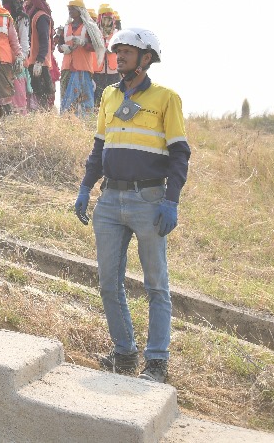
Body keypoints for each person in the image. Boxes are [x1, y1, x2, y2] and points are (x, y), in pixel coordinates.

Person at [73, 27, 189, 384]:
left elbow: (180, 154)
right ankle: (124, 354)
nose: (119, 55)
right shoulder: (108, 95)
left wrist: (170, 201)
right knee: (108, 282)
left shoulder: (166, 98)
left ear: (147, 57)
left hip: (148, 200)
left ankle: (156, 364)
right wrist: (85, 187)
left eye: (127, 50)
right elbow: (98, 148)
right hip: (109, 201)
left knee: (156, 285)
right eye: (117, 50)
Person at [56, 0, 103, 114]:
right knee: (66, 97)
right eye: (69, 9)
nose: (70, 12)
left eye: (73, 9)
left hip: (83, 68)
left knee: (84, 98)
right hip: (67, 67)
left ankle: (84, 122)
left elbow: (96, 46)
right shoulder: (66, 27)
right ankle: (67, 121)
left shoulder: (88, 28)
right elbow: (60, 44)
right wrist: (63, 48)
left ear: (79, 11)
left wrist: (83, 43)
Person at [22, 0, 56, 111]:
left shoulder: (41, 17)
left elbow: (44, 40)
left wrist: (39, 61)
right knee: (35, 93)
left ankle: (44, 120)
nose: (26, 1)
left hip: (39, 62)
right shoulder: (32, 15)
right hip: (33, 61)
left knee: (41, 94)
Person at [1, 0, 31, 114]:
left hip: (17, 61)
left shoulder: (22, 18)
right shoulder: (2, 15)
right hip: (3, 60)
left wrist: (20, 58)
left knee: (18, 94)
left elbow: (24, 42)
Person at [92, 4, 120, 98]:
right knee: (97, 96)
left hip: (113, 70)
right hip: (97, 70)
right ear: (100, 18)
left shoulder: (117, 33)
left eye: (109, 18)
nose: (107, 21)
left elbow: (121, 48)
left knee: (113, 96)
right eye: (105, 18)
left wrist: (113, 50)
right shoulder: (95, 32)